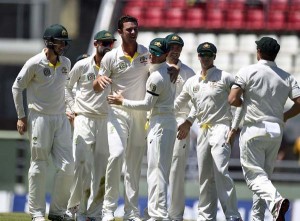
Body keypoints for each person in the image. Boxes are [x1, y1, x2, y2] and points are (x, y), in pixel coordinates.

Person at [228, 36, 300, 221]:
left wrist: (244, 105)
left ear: (258, 52)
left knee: (254, 178)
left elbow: (232, 99)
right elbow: (299, 103)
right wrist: (284, 116)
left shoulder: (248, 71)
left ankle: (276, 201)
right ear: (275, 54)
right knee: (263, 179)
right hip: (276, 131)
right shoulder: (286, 76)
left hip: (254, 128)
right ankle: (258, 218)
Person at [107, 37, 177, 221]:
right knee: (157, 170)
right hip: (165, 122)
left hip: (160, 122)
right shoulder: (164, 71)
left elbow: (147, 105)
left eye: (157, 53)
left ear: (166, 55)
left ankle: (158, 214)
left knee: (157, 171)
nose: (153, 55)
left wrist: (122, 102)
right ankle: (153, 212)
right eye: (152, 51)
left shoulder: (157, 76)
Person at [11, 24, 74, 221]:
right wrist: (21, 116)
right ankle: (36, 213)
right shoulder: (34, 63)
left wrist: (70, 108)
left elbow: (64, 88)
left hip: (60, 119)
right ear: (49, 42)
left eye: (64, 42)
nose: (63, 46)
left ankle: (56, 212)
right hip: (39, 118)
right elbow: (16, 87)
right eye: (60, 42)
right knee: (38, 166)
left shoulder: (66, 63)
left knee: (68, 166)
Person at [175, 42, 242, 221]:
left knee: (220, 171)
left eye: (209, 55)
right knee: (204, 176)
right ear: (198, 56)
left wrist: (234, 128)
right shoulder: (192, 81)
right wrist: (159, 114)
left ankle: (233, 216)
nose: (205, 58)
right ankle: (206, 217)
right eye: (202, 55)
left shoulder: (225, 77)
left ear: (214, 56)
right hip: (203, 130)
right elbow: (181, 105)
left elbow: (241, 103)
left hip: (221, 127)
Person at [65, 30, 116, 221]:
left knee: (102, 169)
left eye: (110, 43)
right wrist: (73, 109)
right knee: (81, 164)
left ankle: (95, 213)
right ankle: (75, 209)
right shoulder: (82, 65)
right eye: (103, 43)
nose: (107, 46)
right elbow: (66, 87)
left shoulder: (114, 67)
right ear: (95, 44)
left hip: (105, 120)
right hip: (84, 118)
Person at [165, 33, 195, 221]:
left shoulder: (189, 73)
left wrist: (188, 122)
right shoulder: (154, 69)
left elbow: (196, 103)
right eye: (172, 46)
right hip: (158, 122)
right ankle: (155, 211)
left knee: (176, 170)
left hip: (180, 123)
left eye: (178, 47)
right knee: (157, 168)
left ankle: (175, 215)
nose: (175, 50)